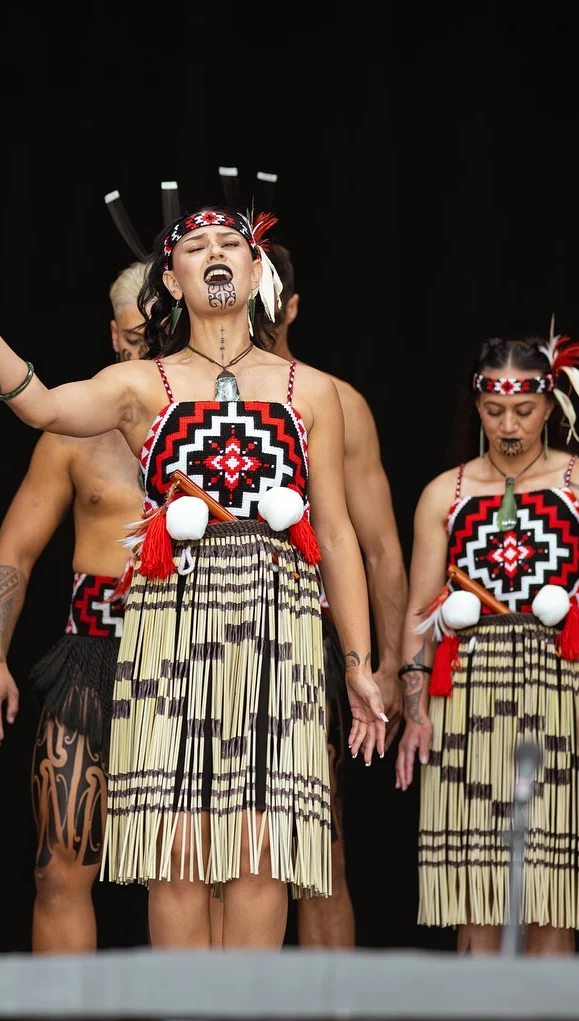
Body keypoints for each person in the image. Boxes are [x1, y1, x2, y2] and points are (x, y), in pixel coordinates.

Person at [0, 207, 386, 950]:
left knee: (261, 853)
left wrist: (359, 663)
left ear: (257, 270)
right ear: (173, 277)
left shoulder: (309, 391)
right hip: (171, 625)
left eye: (232, 244)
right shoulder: (140, 384)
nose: (215, 254)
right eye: (195, 247)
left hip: (280, 626)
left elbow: (335, 534)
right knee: (179, 850)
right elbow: (37, 404)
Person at [393, 331, 579, 953]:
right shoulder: (448, 494)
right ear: (478, 405)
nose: (509, 424)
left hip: (557, 688)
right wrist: (414, 713)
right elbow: (419, 612)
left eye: (523, 410)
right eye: (494, 411)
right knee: (478, 890)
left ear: (550, 403)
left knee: (551, 889)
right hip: (463, 694)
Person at [210, 242, 408, 949]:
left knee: (313, 848)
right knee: (205, 844)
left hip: (306, 644)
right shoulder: (180, 389)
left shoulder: (331, 399)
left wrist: (389, 665)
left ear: (289, 304)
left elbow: (376, 546)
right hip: (199, 641)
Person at [0, 260, 146, 954]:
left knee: (206, 873)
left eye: (159, 333)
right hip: (90, 663)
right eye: (134, 337)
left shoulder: (233, 436)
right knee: (59, 865)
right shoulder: (74, 435)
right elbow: (13, 554)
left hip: (201, 661)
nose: (146, 351)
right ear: (113, 336)